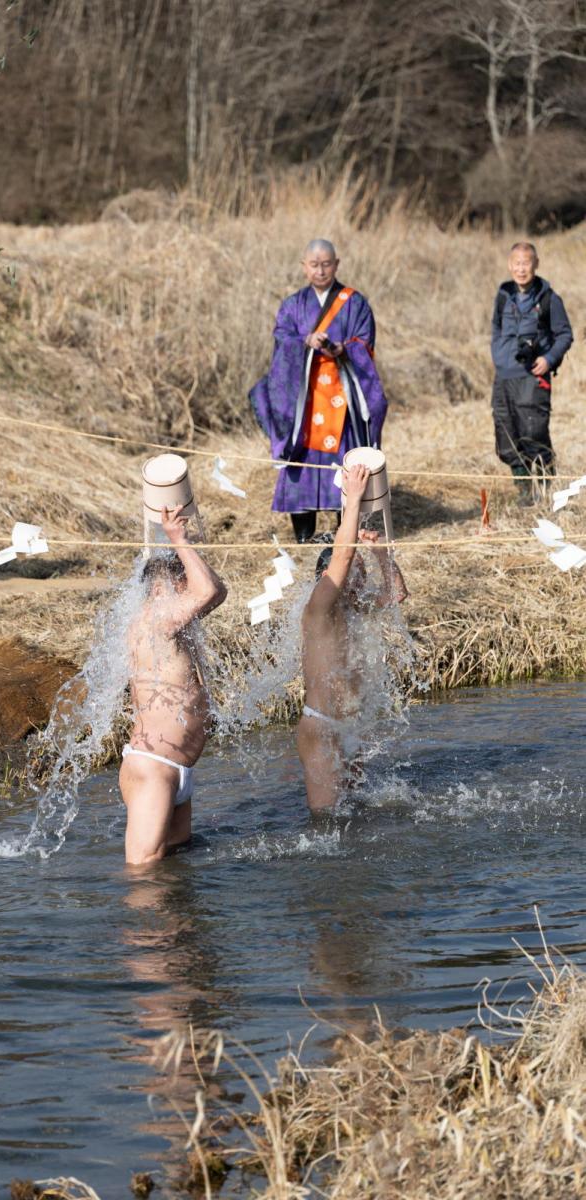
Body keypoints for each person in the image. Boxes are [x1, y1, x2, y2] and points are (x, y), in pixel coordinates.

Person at [250, 239, 387, 543]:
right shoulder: (293, 305)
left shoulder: (355, 303)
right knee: (302, 461)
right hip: (305, 400)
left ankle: (347, 530)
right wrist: (305, 341)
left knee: (345, 460)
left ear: (336, 264)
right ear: (304, 266)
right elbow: (282, 339)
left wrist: (343, 348)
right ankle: (303, 535)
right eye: (314, 264)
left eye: (327, 264)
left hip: (342, 396)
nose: (321, 270)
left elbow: (365, 340)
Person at [119, 505, 227, 866]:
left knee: (175, 863)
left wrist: (184, 546)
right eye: (184, 584)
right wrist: (179, 539)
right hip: (154, 767)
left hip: (176, 767)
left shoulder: (172, 621)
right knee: (144, 870)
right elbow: (208, 590)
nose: (189, 592)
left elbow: (218, 592)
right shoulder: (157, 617)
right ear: (164, 588)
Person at [297, 463, 407, 812]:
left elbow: (396, 595)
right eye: (352, 575)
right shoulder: (320, 606)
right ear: (328, 577)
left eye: (361, 575)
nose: (358, 583)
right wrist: (354, 499)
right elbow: (342, 555)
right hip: (322, 729)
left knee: (356, 816)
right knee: (327, 823)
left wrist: (379, 553)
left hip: (349, 727)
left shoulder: (354, 608)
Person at [490, 242, 573, 503]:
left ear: (536, 264)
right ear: (509, 265)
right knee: (506, 435)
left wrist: (549, 359)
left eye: (526, 263)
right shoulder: (503, 295)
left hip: (533, 377)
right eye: (517, 263)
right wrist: (498, 354)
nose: (521, 269)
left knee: (533, 433)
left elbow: (565, 335)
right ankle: (525, 491)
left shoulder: (549, 299)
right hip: (504, 376)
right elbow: (495, 327)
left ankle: (548, 488)